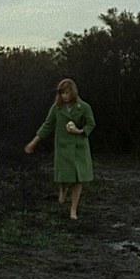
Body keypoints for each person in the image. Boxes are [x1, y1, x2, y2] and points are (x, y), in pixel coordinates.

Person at [24, 78, 95, 220]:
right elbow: (47, 125)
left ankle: (73, 209)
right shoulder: (56, 108)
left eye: (67, 93)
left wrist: (80, 131)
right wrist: (34, 142)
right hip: (63, 148)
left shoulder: (84, 107)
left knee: (78, 179)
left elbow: (91, 124)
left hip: (79, 148)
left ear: (73, 92)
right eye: (62, 93)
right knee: (65, 176)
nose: (65, 96)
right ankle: (63, 188)